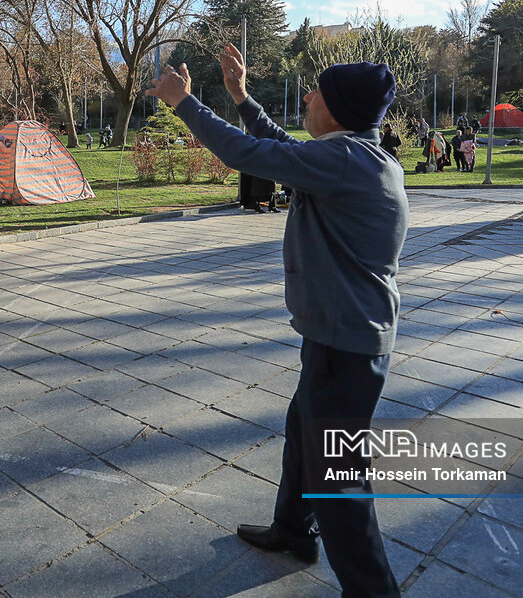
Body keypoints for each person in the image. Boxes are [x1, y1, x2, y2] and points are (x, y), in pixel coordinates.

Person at [146, 43, 406, 598]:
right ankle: (292, 529)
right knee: (301, 435)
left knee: (338, 480)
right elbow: (281, 147)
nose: (307, 97)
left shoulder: (343, 162)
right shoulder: (354, 156)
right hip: (340, 337)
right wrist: (241, 96)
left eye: (317, 92)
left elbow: (247, 153)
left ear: (338, 110)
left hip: (345, 345)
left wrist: (184, 102)